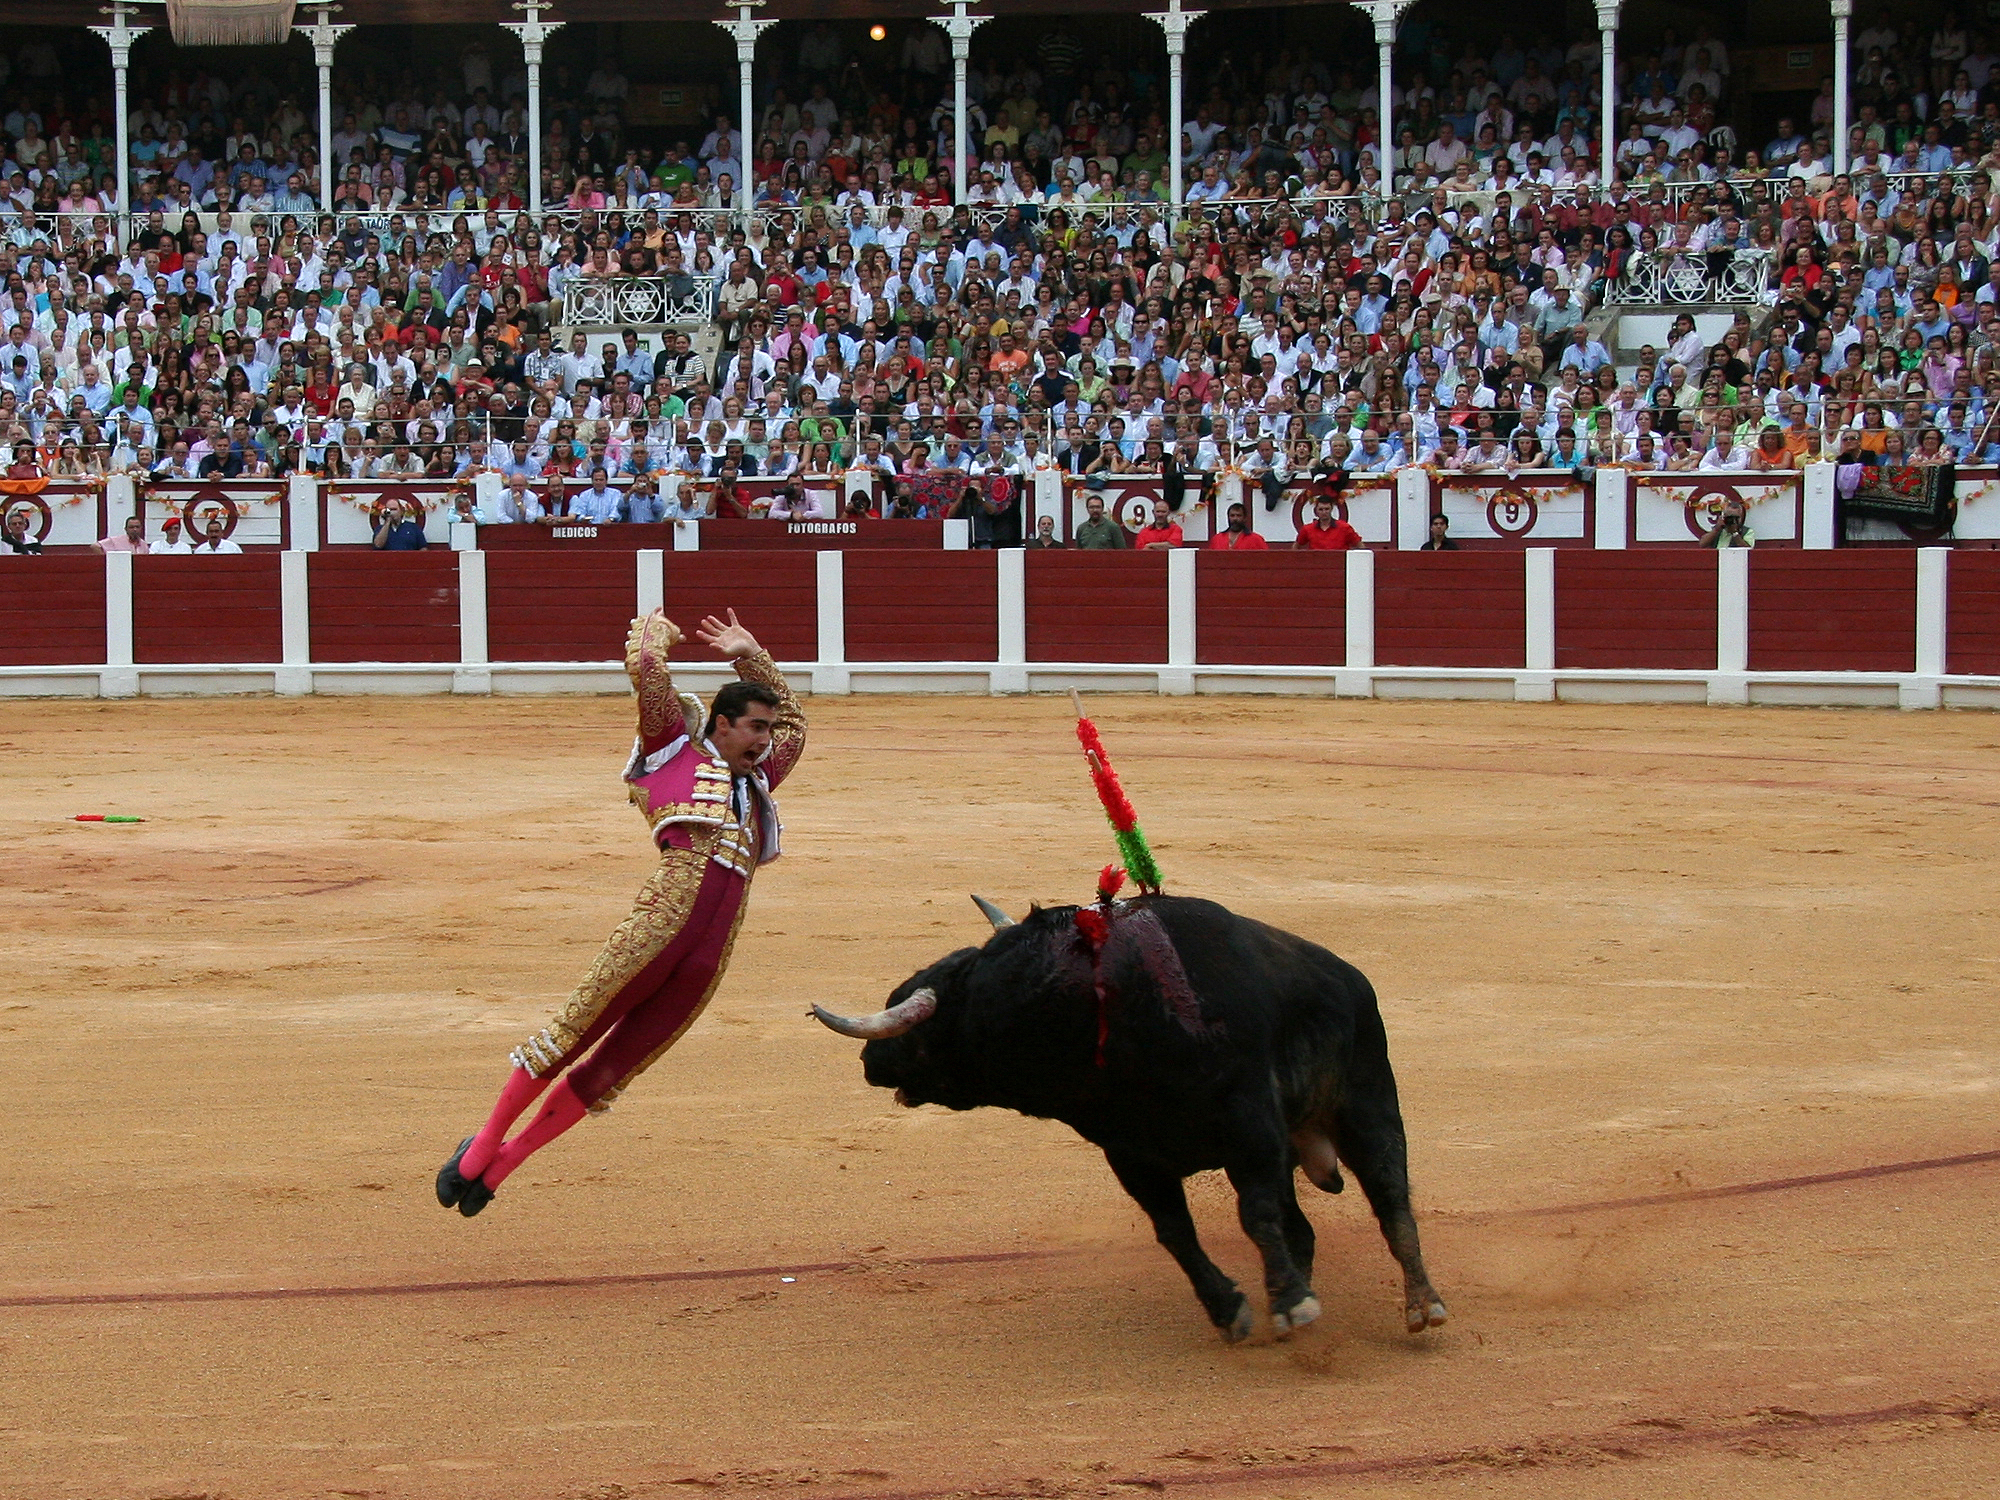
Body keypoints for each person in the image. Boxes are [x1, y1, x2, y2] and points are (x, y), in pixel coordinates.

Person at [437, 609, 805, 1217]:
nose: (766, 740)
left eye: (767, 731)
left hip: (710, 954)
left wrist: (752, 653)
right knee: (571, 1031)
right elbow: (648, 672)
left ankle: (499, 1167)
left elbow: (798, 724)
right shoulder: (671, 752)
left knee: (615, 1068)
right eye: (754, 728)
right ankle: (477, 1153)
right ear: (721, 724)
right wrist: (657, 637)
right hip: (661, 922)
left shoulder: (759, 778)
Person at [1296, 495, 1363, 550]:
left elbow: (1360, 545)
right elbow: (1296, 547)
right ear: (1316, 510)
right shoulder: (1307, 529)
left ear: (1331, 509)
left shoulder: (1344, 527)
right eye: (1321, 509)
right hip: (1316, 564)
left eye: (1327, 509)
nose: (1324, 512)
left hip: (1339, 564)